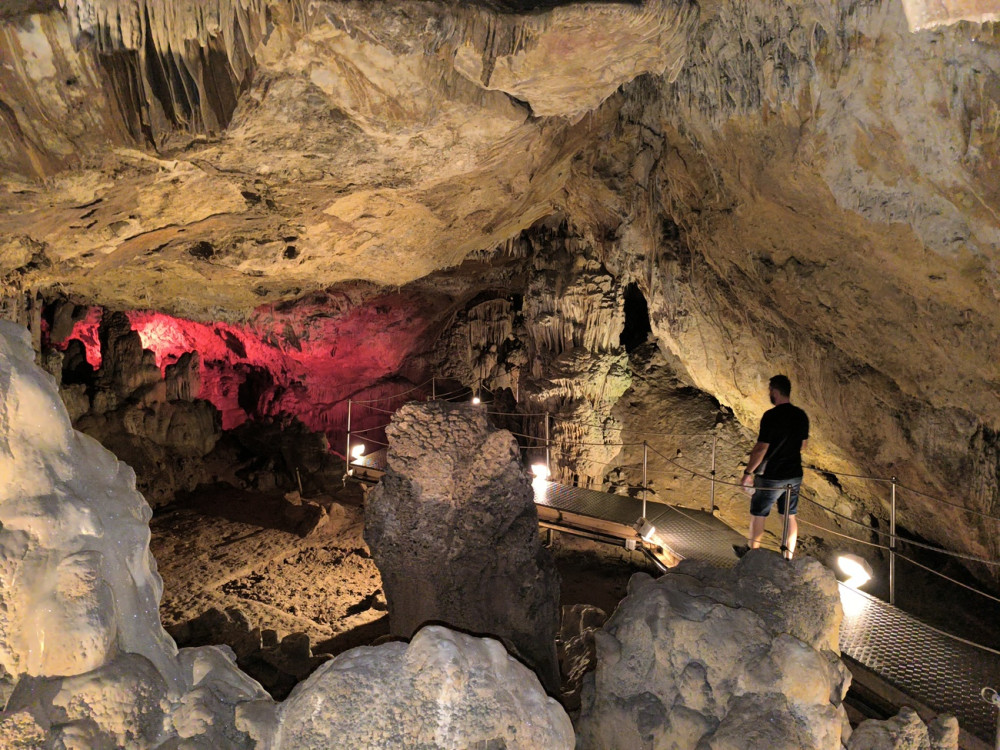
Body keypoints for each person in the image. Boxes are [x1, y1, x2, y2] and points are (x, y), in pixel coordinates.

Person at [737, 374, 809, 560]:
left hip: (772, 475)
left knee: (759, 513)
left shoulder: (771, 416)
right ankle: (787, 557)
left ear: (775, 392)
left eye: (770, 391)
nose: (770, 394)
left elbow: (762, 448)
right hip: (794, 474)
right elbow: (803, 446)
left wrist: (748, 473)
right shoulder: (801, 415)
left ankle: (752, 555)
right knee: (789, 516)